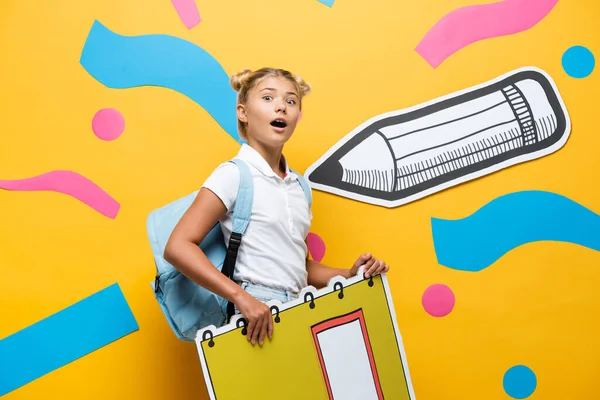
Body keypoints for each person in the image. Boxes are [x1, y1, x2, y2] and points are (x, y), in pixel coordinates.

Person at [164, 67, 389, 347]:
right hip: (252, 317)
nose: (281, 106)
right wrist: (242, 299)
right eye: (268, 98)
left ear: (297, 117)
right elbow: (178, 246)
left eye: (291, 101)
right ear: (243, 112)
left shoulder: (299, 187)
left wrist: (348, 275)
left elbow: (297, 266)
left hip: (297, 311)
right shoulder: (234, 174)